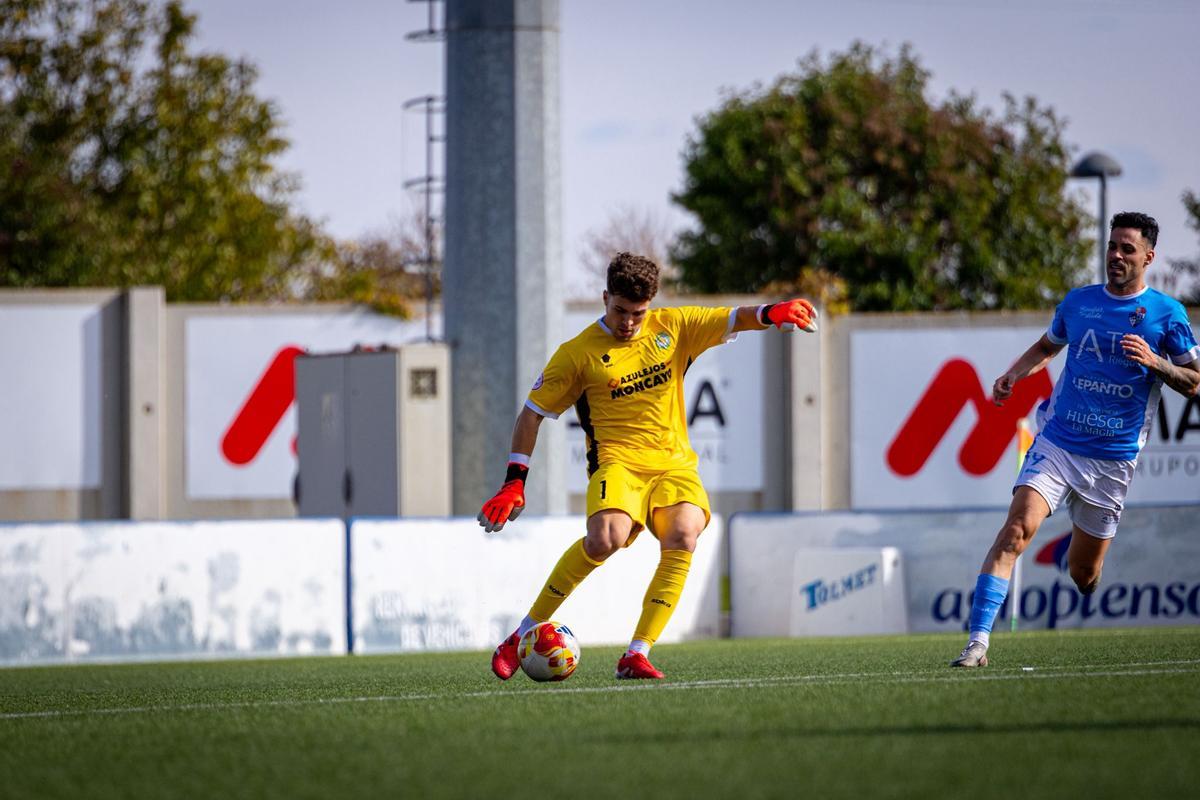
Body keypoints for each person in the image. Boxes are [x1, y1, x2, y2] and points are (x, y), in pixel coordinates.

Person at [478, 252, 818, 679]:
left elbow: (734, 317)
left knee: (684, 534)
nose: (628, 323)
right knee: (605, 538)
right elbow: (531, 414)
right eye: (620, 311)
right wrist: (514, 482)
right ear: (605, 298)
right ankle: (520, 634)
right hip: (617, 465)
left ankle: (636, 654)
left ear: (650, 306)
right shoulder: (577, 354)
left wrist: (773, 312)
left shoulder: (673, 327)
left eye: (637, 313)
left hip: (674, 465)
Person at [952, 212, 1200, 667]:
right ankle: (977, 643)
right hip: (1058, 445)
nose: (1117, 256)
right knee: (1015, 532)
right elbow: (1049, 347)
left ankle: (1087, 574)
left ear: (1149, 256)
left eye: (1128, 249)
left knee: (1083, 574)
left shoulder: (1168, 315)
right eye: (1112, 246)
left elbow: (1195, 382)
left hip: (1112, 461)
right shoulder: (1079, 302)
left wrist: (1157, 363)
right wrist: (1013, 375)